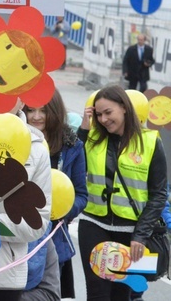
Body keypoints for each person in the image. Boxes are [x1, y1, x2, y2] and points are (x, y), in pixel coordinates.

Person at [77, 85, 168, 301]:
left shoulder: (150, 142)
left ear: (124, 108)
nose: (103, 119)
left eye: (108, 112)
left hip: (130, 231)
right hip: (94, 225)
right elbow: (72, 164)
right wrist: (83, 129)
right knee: (97, 293)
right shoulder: (91, 139)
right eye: (98, 114)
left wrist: (141, 234)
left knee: (121, 294)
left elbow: (159, 194)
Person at [0, 101, 52, 300]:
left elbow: (37, 223)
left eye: (12, 90)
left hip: (4, 275)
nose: (1, 98)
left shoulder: (37, 148)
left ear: (22, 100)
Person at [23, 90, 87, 298]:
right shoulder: (16, 142)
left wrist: (61, 210)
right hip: (19, 233)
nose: (36, 116)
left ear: (55, 111)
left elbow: (81, 196)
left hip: (54, 237)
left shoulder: (73, 146)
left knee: (47, 293)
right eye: (30, 110)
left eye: (43, 110)